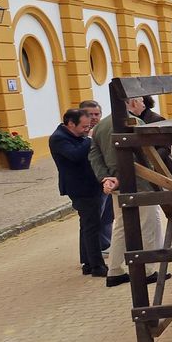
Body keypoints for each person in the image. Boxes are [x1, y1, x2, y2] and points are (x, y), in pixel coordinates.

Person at [88, 96, 172, 287]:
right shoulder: (135, 122)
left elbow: (94, 154)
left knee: (121, 227)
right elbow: (147, 153)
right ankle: (149, 270)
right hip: (140, 183)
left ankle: (115, 270)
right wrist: (153, 173)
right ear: (131, 102)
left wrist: (107, 177)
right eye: (141, 101)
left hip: (117, 184)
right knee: (147, 225)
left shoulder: (101, 126)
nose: (143, 104)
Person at [50, 108, 108, 277]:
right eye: (83, 126)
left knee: (88, 225)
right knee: (92, 227)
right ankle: (97, 266)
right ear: (70, 124)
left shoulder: (76, 136)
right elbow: (74, 155)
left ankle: (88, 262)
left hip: (91, 185)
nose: (86, 129)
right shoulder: (59, 138)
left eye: (88, 126)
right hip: (80, 188)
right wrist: (90, 139)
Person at [77, 100, 114, 257]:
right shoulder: (78, 133)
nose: (93, 118)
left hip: (107, 179)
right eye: (89, 114)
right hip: (89, 183)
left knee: (107, 215)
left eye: (96, 114)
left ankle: (105, 245)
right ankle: (89, 254)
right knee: (92, 219)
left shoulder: (103, 129)